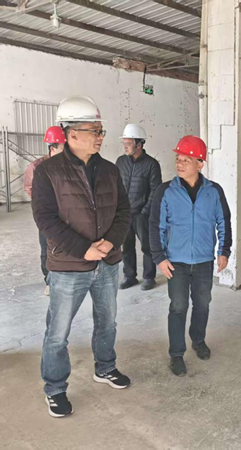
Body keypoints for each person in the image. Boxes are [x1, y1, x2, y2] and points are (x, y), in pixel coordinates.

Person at [32, 96, 132, 418]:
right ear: (72, 134)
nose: (101, 136)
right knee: (58, 332)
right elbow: (45, 219)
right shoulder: (48, 172)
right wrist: (83, 248)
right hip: (68, 267)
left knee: (107, 322)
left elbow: (124, 210)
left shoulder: (110, 170)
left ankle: (105, 367)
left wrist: (111, 242)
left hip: (107, 263)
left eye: (101, 131)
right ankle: (55, 388)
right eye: (95, 130)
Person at [149, 135, 232, 377]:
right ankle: (176, 353)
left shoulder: (214, 191)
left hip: (204, 260)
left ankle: (198, 340)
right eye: (178, 158)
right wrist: (159, 257)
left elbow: (223, 222)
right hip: (176, 261)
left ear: (200, 164)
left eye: (186, 159)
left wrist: (224, 251)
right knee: (178, 306)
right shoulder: (165, 191)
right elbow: (155, 226)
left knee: (203, 303)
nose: (179, 163)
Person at [116, 124, 162, 291]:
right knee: (126, 247)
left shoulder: (151, 164)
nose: (125, 147)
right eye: (124, 143)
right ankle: (129, 276)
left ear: (139, 144)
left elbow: (155, 190)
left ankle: (149, 277)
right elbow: (116, 186)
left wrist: (145, 212)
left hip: (142, 214)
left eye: (128, 143)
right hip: (124, 214)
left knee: (147, 246)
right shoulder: (120, 162)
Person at [24, 126, 65, 296]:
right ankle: (49, 280)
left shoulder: (68, 164)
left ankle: (66, 279)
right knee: (46, 248)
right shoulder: (36, 167)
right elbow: (30, 189)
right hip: (47, 216)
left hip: (67, 213)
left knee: (66, 246)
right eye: (64, 147)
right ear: (52, 147)